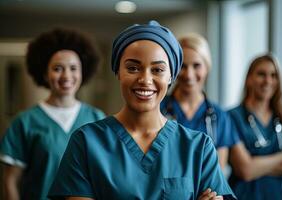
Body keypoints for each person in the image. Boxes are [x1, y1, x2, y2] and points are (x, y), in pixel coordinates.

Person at [48, 21, 236, 200]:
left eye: (157, 70)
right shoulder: (86, 142)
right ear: (118, 72)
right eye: (133, 68)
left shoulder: (199, 147)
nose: (145, 79)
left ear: (171, 76)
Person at [0, 27, 106, 200]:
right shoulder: (25, 122)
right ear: (44, 73)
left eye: (73, 68)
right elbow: (10, 181)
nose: (66, 76)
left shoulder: (97, 119)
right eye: (57, 68)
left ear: (83, 72)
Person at [161, 33, 239, 170]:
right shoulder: (158, 109)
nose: (189, 74)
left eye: (196, 65)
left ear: (207, 68)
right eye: (183, 66)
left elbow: (217, 172)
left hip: (205, 190)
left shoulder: (219, 116)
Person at [228, 54, 282, 200]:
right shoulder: (232, 117)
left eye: (273, 75)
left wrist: (258, 167)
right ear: (249, 79)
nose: (268, 81)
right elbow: (245, 170)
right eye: (261, 74)